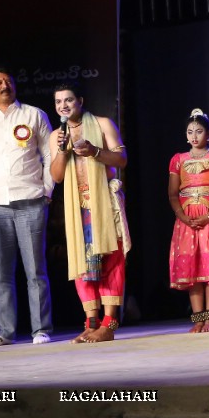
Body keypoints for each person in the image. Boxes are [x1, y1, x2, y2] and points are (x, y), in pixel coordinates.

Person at [0, 67, 55, 346]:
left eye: (8, 81)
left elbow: (48, 153)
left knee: (35, 271)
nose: (4, 85)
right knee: (2, 272)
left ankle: (40, 329)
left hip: (31, 199)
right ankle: (6, 332)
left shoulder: (34, 114)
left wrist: (47, 190)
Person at [49, 83, 131, 344]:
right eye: (59, 102)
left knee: (110, 259)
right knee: (82, 264)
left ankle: (109, 324)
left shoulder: (103, 123)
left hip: (104, 203)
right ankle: (91, 323)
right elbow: (57, 176)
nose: (64, 105)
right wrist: (63, 150)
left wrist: (95, 151)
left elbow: (122, 160)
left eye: (69, 100)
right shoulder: (56, 136)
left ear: (80, 101)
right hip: (77, 205)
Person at [168, 108, 209, 332]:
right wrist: (184, 217)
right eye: (190, 132)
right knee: (192, 271)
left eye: (199, 131)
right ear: (186, 135)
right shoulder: (178, 160)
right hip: (187, 220)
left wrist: (208, 216)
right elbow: (173, 194)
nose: (194, 136)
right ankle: (197, 318)